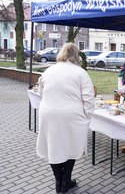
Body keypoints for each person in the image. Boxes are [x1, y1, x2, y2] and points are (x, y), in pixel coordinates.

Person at [36, 43, 95, 193]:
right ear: (76, 56)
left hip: (48, 113)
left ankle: (60, 181)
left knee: (53, 146)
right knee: (71, 146)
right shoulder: (81, 73)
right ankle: (65, 181)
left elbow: (41, 93)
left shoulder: (48, 70)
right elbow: (89, 98)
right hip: (71, 115)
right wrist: (87, 116)